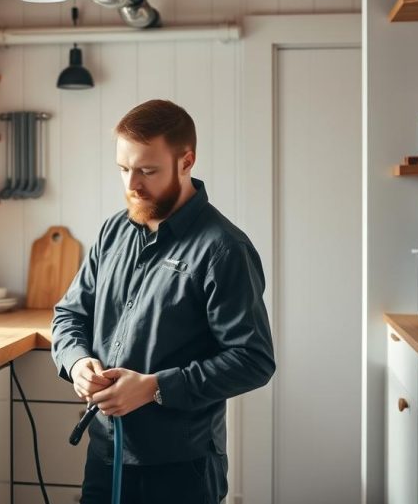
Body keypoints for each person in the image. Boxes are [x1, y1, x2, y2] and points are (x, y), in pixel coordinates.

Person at [51, 99, 276, 504]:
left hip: (181, 467)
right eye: (124, 169)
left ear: (186, 161)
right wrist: (76, 363)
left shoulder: (224, 249)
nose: (132, 185)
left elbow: (253, 360)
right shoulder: (113, 232)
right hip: (104, 454)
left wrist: (154, 388)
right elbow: (70, 315)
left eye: (147, 171)